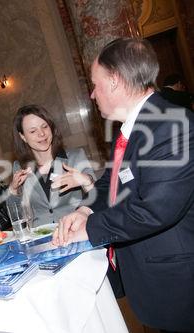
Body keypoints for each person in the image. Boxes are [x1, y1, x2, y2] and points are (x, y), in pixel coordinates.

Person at [53, 38, 194, 332]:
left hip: (181, 284)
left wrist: (89, 230)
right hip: (156, 282)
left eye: (95, 84)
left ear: (115, 80)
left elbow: (156, 209)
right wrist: (84, 212)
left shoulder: (170, 125)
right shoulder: (135, 129)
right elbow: (110, 182)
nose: (92, 94)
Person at [7, 105, 96, 228]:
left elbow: (97, 194)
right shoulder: (20, 166)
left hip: (74, 229)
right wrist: (13, 190)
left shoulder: (75, 157)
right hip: (40, 236)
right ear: (23, 137)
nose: (42, 134)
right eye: (33, 131)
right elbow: (18, 216)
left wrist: (86, 180)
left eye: (44, 126)